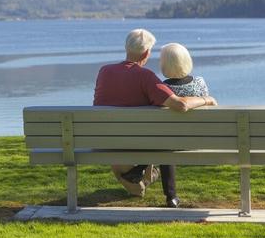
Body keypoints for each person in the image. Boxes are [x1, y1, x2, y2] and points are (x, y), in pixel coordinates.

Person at [93, 29, 218, 208]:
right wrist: (207, 99)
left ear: (126, 48)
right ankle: (152, 182)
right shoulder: (146, 77)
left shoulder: (104, 71)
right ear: (146, 53)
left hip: (105, 140)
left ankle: (140, 179)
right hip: (139, 142)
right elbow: (181, 105)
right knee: (159, 137)